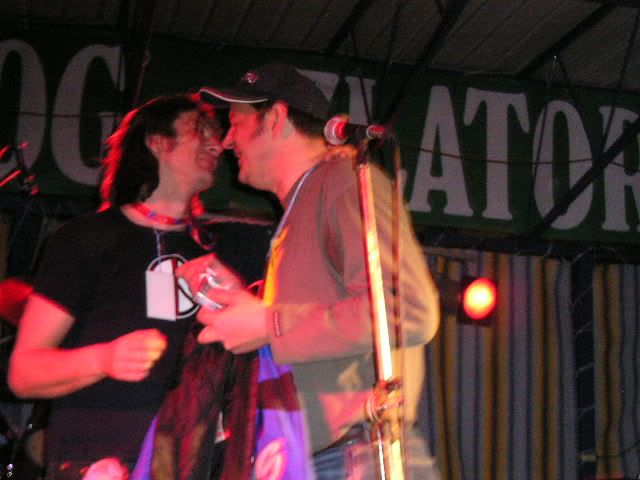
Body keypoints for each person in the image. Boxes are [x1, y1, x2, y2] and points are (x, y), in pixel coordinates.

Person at [177, 63, 441, 479]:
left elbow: (408, 309)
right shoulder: (306, 202)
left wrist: (267, 323)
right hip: (319, 459)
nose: (226, 141)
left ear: (276, 118)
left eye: (236, 123)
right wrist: (248, 303)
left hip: (350, 460)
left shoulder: (342, 180)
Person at [7, 93, 226, 479]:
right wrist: (104, 359)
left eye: (217, 134)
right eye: (201, 131)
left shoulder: (209, 254)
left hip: (182, 463)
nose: (217, 144)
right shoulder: (87, 239)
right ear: (159, 142)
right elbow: (24, 374)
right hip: (94, 461)